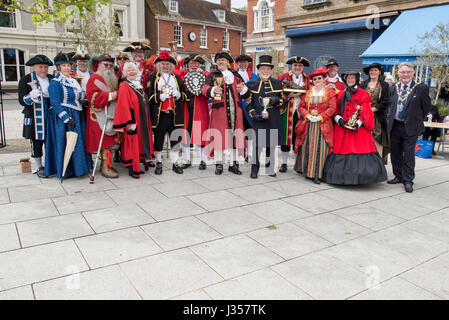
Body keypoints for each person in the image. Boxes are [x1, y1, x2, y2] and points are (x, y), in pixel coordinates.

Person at [323, 70, 387, 185]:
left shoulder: (363, 93)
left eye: (352, 78)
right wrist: (338, 119)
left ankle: (361, 178)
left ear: (356, 79)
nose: (350, 80)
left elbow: (366, 110)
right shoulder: (341, 93)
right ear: (345, 80)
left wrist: (358, 123)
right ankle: (339, 177)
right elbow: (335, 109)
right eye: (348, 78)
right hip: (342, 128)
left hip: (358, 128)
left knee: (359, 148)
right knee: (340, 148)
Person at [44, 52, 92, 179]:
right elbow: (54, 104)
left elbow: (78, 98)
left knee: (77, 143)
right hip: (62, 119)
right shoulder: (55, 83)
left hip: (76, 114)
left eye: (69, 65)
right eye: (64, 65)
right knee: (66, 143)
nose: (67, 68)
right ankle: (67, 170)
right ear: (59, 67)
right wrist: (66, 118)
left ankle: (79, 169)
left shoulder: (73, 81)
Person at [387, 62, 432, 193]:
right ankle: (398, 175)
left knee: (408, 154)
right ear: (398, 74)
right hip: (395, 125)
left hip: (410, 127)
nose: (405, 74)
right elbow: (391, 105)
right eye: (403, 72)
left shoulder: (420, 88)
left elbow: (426, 107)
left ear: (412, 73)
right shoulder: (393, 87)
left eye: (408, 72)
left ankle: (408, 179)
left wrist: (415, 119)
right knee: (395, 153)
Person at [202, 52, 247, 175]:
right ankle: (219, 164)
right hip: (219, 112)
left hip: (235, 112)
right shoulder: (213, 75)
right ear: (216, 63)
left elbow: (244, 92)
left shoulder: (236, 75)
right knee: (219, 138)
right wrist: (212, 90)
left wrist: (243, 89)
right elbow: (204, 88)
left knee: (234, 138)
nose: (221, 62)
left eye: (223, 60)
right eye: (219, 60)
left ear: (228, 62)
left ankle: (233, 164)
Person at [146, 50, 188, 175]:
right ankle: (159, 163)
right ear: (159, 65)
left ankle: (175, 163)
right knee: (158, 140)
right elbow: (148, 97)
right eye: (163, 64)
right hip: (160, 115)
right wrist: (159, 97)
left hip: (174, 115)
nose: (165, 66)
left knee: (175, 139)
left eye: (168, 64)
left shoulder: (177, 78)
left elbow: (185, 96)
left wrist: (179, 95)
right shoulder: (152, 78)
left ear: (171, 66)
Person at [293, 67, 337, 184]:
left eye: (319, 78)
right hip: (308, 124)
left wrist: (321, 116)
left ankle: (317, 174)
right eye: (315, 79)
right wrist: (307, 115)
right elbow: (301, 107)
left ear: (324, 79)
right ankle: (306, 171)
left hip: (323, 125)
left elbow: (333, 108)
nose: (317, 80)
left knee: (320, 148)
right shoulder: (308, 93)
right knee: (307, 146)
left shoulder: (330, 92)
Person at [243, 55, 283, 179]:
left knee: (271, 145)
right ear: (259, 69)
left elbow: (282, 101)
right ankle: (254, 169)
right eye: (263, 68)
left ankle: (270, 168)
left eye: (267, 68)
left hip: (274, 118)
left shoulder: (277, 83)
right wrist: (254, 114)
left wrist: (274, 100)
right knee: (257, 145)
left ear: (270, 70)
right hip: (259, 119)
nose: (265, 71)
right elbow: (249, 103)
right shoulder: (252, 84)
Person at [113, 62, 154, 178]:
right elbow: (123, 105)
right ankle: (133, 168)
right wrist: (129, 122)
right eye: (129, 70)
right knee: (132, 144)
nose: (132, 72)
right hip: (133, 121)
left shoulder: (137, 85)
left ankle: (138, 164)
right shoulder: (124, 86)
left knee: (140, 143)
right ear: (125, 73)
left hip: (142, 120)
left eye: (133, 70)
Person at [85, 54, 121, 178]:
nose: (108, 67)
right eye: (106, 65)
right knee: (106, 142)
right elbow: (92, 97)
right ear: (98, 65)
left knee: (111, 142)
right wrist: (112, 96)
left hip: (110, 114)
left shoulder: (112, 78)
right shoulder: (94, 78)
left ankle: (106, 165)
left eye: (111, 65)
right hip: (98, 115)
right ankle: (105, 167)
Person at [18, 54, 53, 176]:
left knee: (50, 142)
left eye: (45, 67)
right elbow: (21, 101)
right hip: (34, 117)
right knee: (36, 142)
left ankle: (50, 164)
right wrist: (31, 96)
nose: (43, 70)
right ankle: (39, 166)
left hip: (49, 116)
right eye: (40, 67)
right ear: (34, 67)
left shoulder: (52, 79)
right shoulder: (25, 80)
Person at [174, 53, 210, 170]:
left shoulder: (205, 75)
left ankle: (203, 160)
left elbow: (210, 86)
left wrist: (202, 75)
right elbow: (174, 71)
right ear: (188, 64)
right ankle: (188, 159)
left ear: (200, 64)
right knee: (187, 134)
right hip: (186, 109)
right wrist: (178, 60)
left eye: (196, 63)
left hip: (200, 108)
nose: (194, 65)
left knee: (201, 133)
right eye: (191, 63)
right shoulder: (184, 75)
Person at [278, 56, 312, 172]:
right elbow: (278, 94)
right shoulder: (283, 77)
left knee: (300, 135)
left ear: (303, 67)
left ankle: (298, 163)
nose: (297, 67)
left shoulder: (308, 80)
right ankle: (283, 163)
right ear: (291, 66)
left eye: (300, 66)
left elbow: (311, 94)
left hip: (302, 112)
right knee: (286, 137)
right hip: (288, 111)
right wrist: (288, 96)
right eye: (295, 65)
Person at [360, 63, 391, 164]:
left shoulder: (384, 86)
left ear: (380, 72)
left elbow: (386, 101)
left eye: (375, 70)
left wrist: (372, 109)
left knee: (376, 142)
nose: (373, 72)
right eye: (371, 70)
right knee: (363, 142)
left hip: (377, 118)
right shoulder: (363, 84)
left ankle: (377, 167)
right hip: (363, 118)